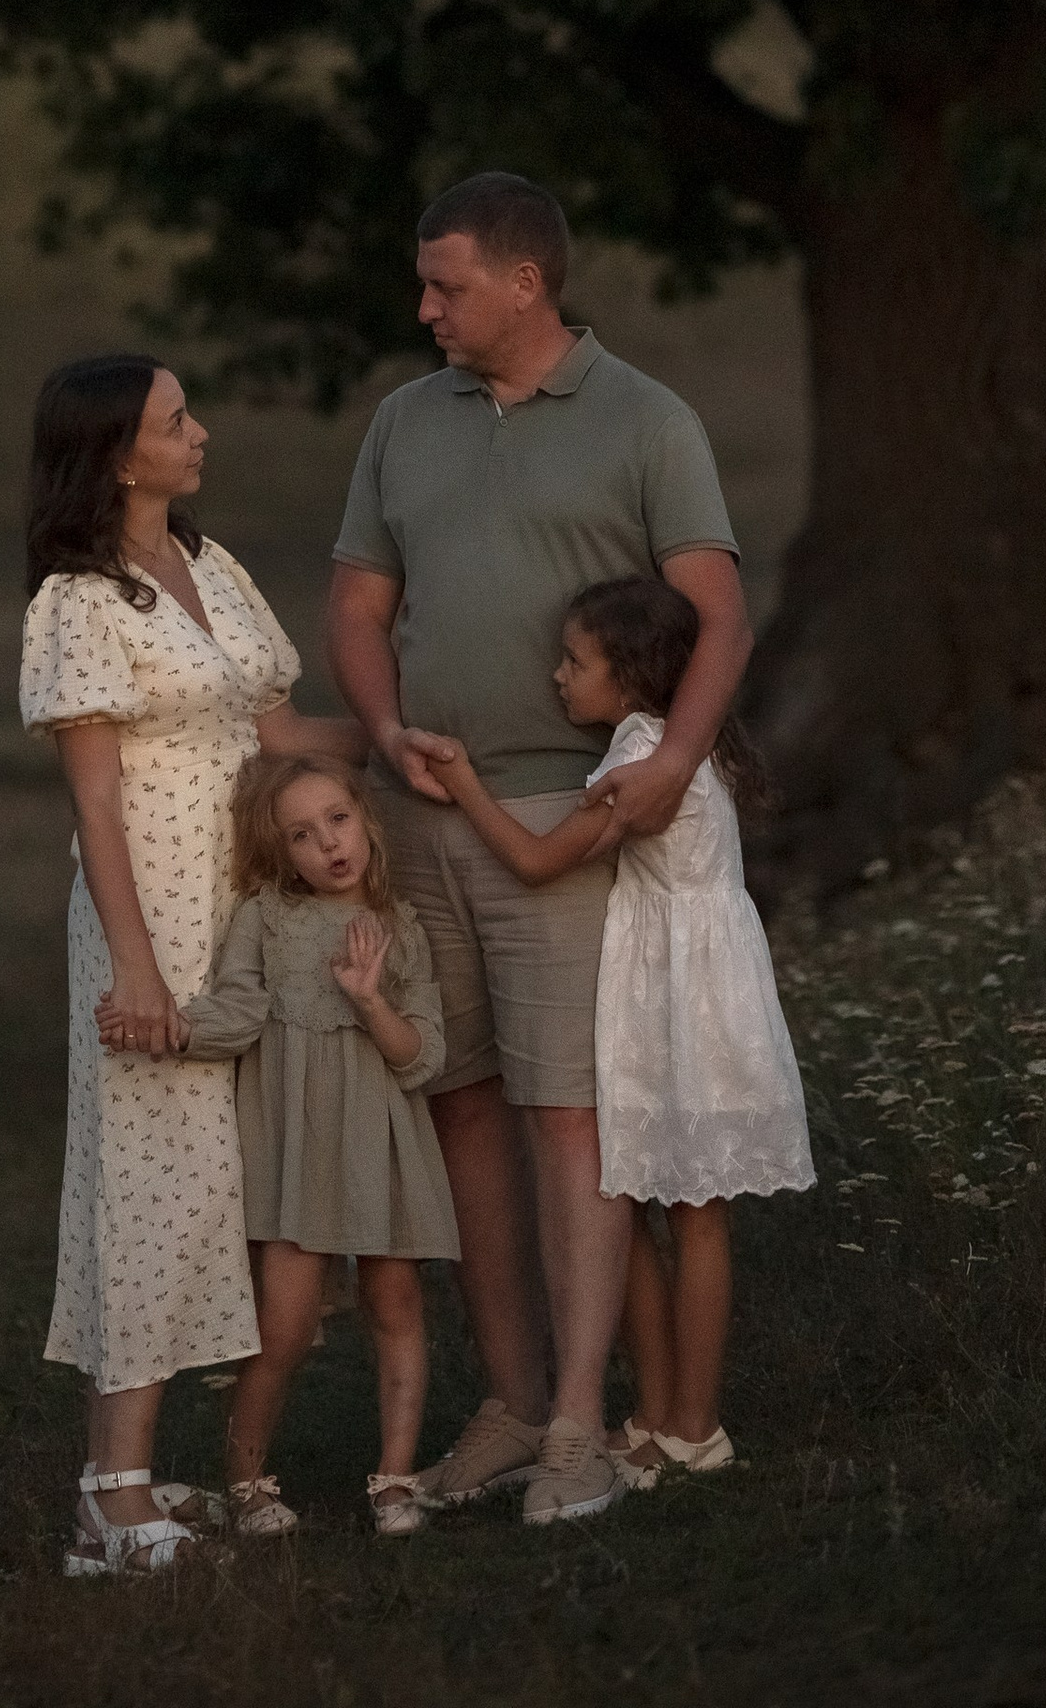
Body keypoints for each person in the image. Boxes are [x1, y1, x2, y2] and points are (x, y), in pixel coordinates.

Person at [325, 169, 752, 1528]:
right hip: (417, 816)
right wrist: (384, 727)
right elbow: (357, 599)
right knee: (458, 1105)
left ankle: (582, 1425)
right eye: (423, 282)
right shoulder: (406, 418)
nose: (425, 306)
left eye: (446, 283)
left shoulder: (646, 421)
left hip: (566, 827)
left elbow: (720, 618)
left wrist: (673, 763)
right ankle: (510, 1402)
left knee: (571, 1117)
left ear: (527, 283)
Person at [18, 352, 366, 1577]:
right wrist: (136, 971)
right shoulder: (80, 600)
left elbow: (280, 737)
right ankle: (109, 1493)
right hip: (152, 925)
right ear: (119, 454)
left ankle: (155, 1463)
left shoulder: (208, 569)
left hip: (246, 918)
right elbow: (96, 806)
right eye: (177, 421)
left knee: (223, 1186)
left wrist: (400, 734)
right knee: (154, 1183)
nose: (201, 433)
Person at [424, 572, 814, 1482]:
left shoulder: (642, 763)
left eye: (574, 661)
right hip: (700, 986)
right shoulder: (687, 739)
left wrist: (466, 783)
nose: (558, 677)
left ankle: (692, 1425)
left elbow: (534, 860)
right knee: (652, 1196)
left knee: (688, 1208)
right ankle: (661, 1417)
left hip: (679, 999)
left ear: (632, 677)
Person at [172, 751, 458, 1540]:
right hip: (298, 1149)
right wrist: (170, 1027)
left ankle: (396, 1481)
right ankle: (247, 1483)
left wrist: (368, 1001)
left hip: (380, 1141)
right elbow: (233, 1010)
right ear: (278, 850)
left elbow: (420, 1055)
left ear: (366, 817)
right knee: (285, 1326)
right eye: (302, 834)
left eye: (338, 819)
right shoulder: (269, 916)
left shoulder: (401, 926)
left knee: (395, 1305)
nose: (329, 843)